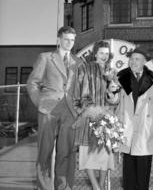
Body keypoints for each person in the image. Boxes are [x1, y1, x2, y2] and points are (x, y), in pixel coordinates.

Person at [26, 26, 83, 190]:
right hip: (48, 110)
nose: (70, 43)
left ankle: (63, 187)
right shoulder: (45, 57)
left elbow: (80, 88)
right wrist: (41, 104)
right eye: (66, 39)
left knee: (66, 152)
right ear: (58, 40)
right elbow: (32, 83)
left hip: (70, 112)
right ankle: (43, 187)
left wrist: (78, 109)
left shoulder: (78, 62)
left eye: (72, 40)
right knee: (45, 151)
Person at [72, 40, 119, 190]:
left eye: (106, 53)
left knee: (105, 155)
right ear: (95, 53)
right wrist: (92, 111)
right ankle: (96, 187)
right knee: (88, 155)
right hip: (89, 116)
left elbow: (115, 99)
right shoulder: (85, 68)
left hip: (106, 118)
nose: (104, 56)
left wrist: (112, 92)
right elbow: (82, 93)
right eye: (101, 53)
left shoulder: (112, 72)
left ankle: (101, 186)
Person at [116, 47, 153, 190]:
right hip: (128, 128)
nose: (133, 61)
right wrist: (111, 94)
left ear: (144, 61)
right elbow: (114, 100)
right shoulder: (121, 77)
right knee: (128, 174)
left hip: (145, 129)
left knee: (143, 174)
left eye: (137, 59)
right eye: (131, 59)